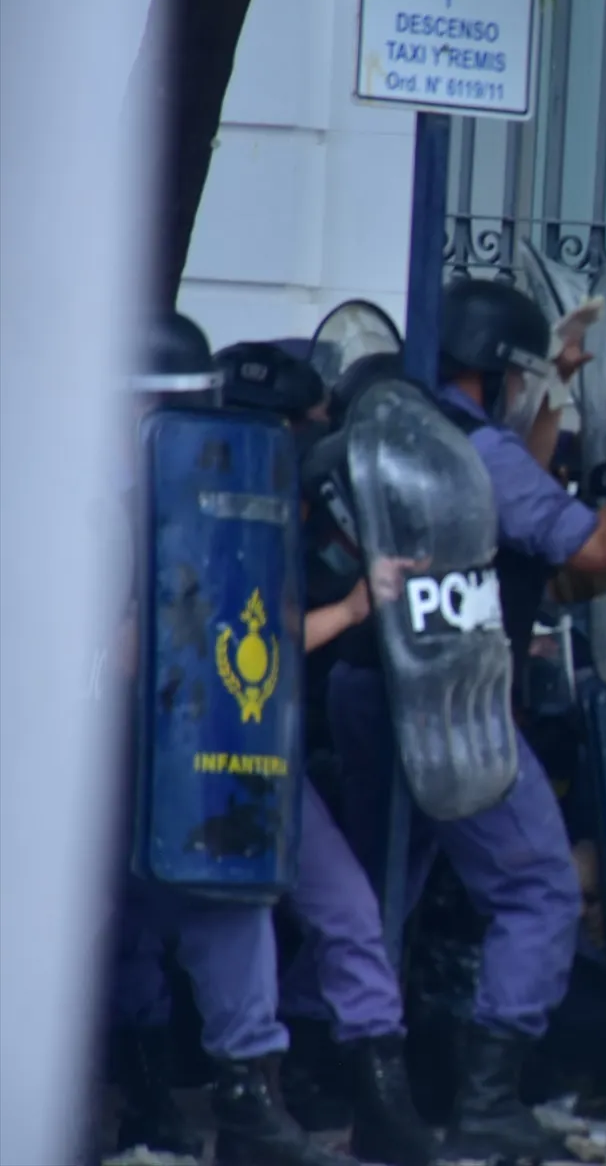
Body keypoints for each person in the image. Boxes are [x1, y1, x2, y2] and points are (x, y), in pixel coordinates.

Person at [325, 278, 606, 1162]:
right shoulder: (479, 451)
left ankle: (339, 1078)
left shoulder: (407, 427)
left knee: (374, 893)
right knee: (539, 888)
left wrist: (553, 386)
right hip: (447, 702)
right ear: (498, 370)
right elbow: (592, 547)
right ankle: (487, 1101)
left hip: (364, 684)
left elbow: (501, 476)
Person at [102, 312, 353, 1166]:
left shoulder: (195, 491)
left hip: (177, 738)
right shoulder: (77, 500)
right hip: (87, 746)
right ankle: (142, 1094)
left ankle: (246, 1100)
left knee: (222, 896)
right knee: (122, 921)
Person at [216, 346, 438, 1165]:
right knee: (176, 933)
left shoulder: (289, 508)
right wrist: (349, 608)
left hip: (260, 754)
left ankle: (368, 1103)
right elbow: (243, 649)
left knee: (341, 913)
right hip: (196, 756)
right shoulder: (205, 509)